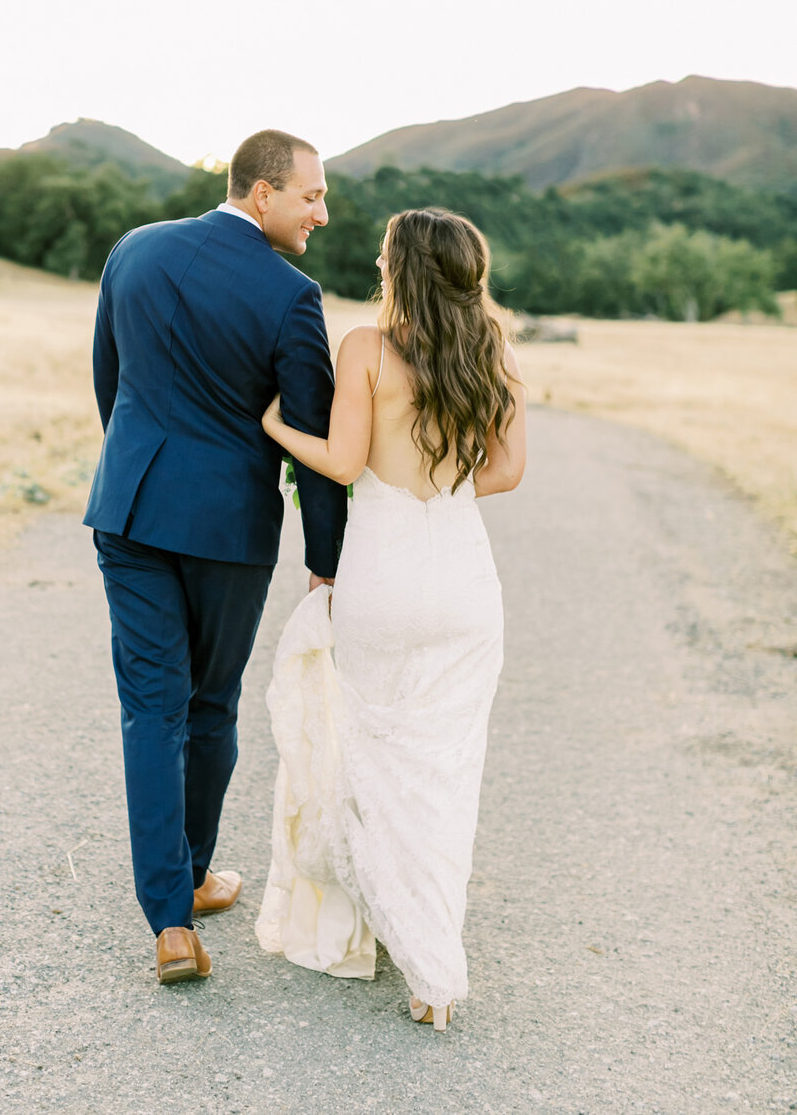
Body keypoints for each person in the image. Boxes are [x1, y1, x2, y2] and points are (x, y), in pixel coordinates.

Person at [84, 130, 348, 985]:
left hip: (128, 512)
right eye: (311, 196)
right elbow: (312, 440)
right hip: (229, 532)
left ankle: (170, 919)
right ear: (263, 192)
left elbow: (109, 381)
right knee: (208, 707)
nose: (322, 212)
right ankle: (192, 880)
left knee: (148, 711)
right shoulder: (291, 296)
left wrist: (136, 474)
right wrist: (327, 559)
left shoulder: (135, 249)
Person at [255, 206, 526, 1032]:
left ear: (400, 269)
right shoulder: (493, 350)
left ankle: (403, 939)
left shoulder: (367, 349)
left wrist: (273, 424)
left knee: (377, 763)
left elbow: (340, 463)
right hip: (463, 578)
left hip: (383, 571)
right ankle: (432, 971)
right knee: (446, 773)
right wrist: (441, 496)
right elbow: (508, 472)